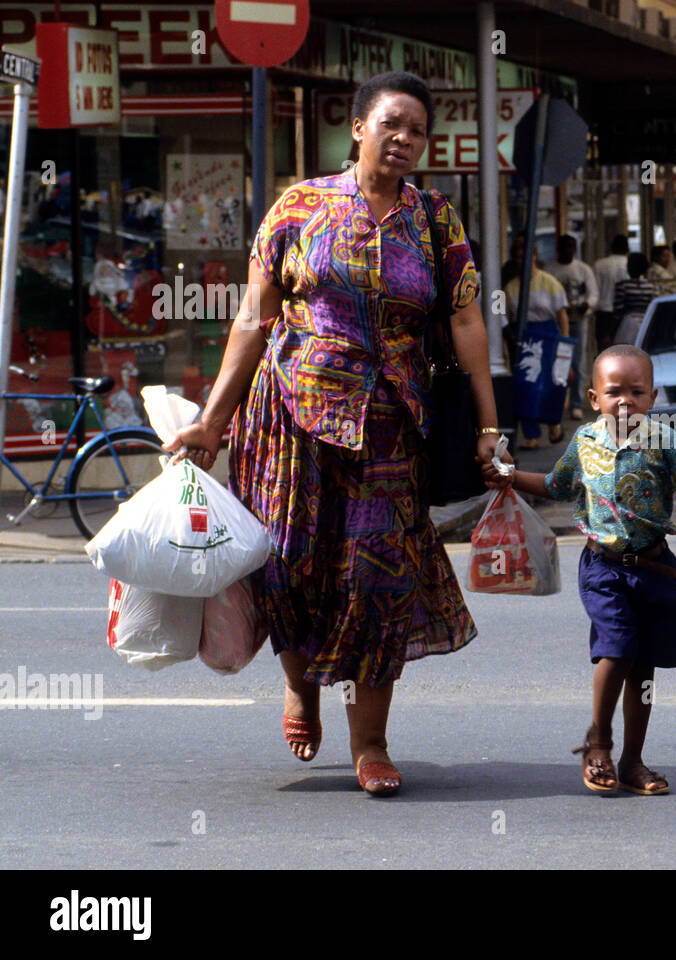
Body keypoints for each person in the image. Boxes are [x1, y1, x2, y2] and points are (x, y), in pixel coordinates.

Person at [166, 71, 507, 798]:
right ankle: (302, 684)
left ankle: (372, 741)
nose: (405, 139)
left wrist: (487, 424)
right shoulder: (299, 208)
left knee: (378, 577)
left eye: (417, 129)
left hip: (391, 428)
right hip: (291, 418)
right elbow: (254, 320)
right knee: (291, 566)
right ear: (357, 127)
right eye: (392, 123)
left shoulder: (436, 221)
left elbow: (468, 321)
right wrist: (212, 420)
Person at [487, 344, 676, 795]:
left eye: (636, 392)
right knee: (616, 649)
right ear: (594, 398)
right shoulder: (584, 442)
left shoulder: (666, 440)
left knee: (643, 668)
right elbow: (557, 485)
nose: (626, 401)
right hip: (604, 568)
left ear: (653, 397)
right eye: (614, 391)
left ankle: (633, 761)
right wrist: (511, 477)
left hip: (656, 570)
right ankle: (597, 744)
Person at [505, 235, 570, 448]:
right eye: (517, 256)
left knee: (551, 382)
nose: (521, 260)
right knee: (525, 384)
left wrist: (565, 344)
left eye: (525, 255)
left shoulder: (550, 282)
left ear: (534, 257)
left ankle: (554, 424)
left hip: (548, 332)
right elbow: (502, 316)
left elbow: (562, 316)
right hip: (524, 335)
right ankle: (531, 435)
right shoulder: (509, 288)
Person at [548, 234, 599, 421]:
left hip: (578, 319)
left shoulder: (583, 270)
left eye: (571, 247)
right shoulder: (551, 270)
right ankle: (558, 403)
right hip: (557, 320)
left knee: (578, 363)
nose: (569, 250)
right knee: (558, 362)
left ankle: (576, 404)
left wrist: (587, 304)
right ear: (558, 249)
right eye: (565, 247)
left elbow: (594, 294)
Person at [611, 252, 658, 344]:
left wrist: (611, 331)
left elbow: (618, 311)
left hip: (628, 324)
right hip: (646, 322)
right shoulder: (651, 286)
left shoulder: (623, 285)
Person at [593, 235, 630, 350]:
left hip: (603, 312)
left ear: (611, 247)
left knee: (604, 351)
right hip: (624, 313)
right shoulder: (629, 264)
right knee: (623, 350)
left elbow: (595, 290)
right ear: (627, 249)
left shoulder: (599, 265)